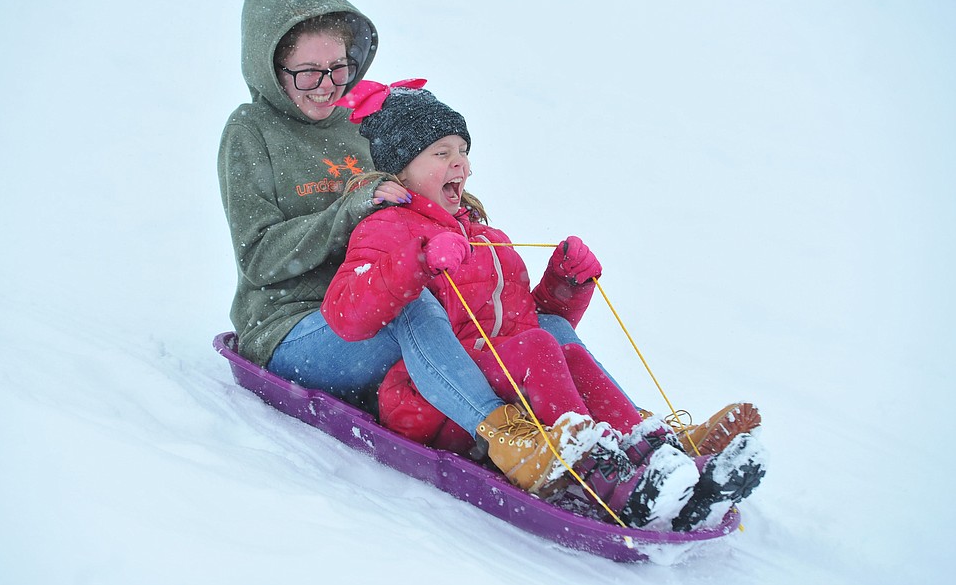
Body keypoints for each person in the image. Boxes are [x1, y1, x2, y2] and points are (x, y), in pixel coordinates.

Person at [218, 0, 610, 499]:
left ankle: (630, 436)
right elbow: (259, 258)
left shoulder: (361, 122)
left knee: (536, 329)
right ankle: (504, 435)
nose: (329, 85)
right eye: (308, 73)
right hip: (298, 326)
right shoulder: (251, 131)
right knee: (412, 305)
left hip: (381, 296)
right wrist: (350, 211)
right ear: (269, 68)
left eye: (339, 68)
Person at [321, 79, 768, 531]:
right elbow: (344, 314)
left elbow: (523, 322)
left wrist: (565, 286)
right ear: (401, 168)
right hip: (440, 403)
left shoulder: (482, 234)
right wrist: (417, 260)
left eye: (463, 150)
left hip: (504, 382)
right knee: (536, 348)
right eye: (442, 153)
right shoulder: (387, 227)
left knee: (563, 349)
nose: (462, 164)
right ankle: (598, 470)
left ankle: (657, 453)